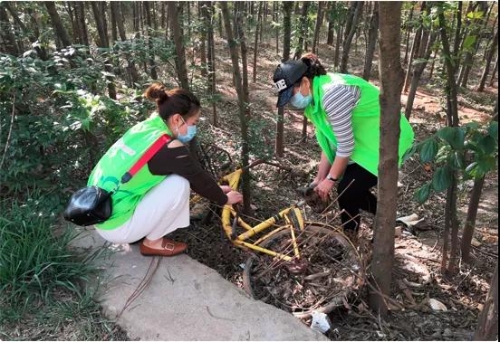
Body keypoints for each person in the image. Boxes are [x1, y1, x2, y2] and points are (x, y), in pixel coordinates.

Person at [87, 83, 243, 256]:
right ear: (177, 119)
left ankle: (139, 228)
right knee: (179, 183)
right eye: (193, 122)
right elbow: (196, 177)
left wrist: (215, 190)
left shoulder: (146, 128)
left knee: (172, 179)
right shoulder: (169, 146)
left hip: (98, 209)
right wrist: (224, 199)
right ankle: (152, 243)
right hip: (116, 226)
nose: (194, 128)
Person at [272, 53, 414, 242]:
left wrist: (330, 180)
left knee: (347, 188)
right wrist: (319, 178)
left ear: (305, 82)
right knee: (351, 189)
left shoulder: (332, 94)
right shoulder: (313, 103)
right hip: (364, 140)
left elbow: (345, 146)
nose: (292, 101)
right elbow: (329, 141)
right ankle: (389, 223)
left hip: (388, 138)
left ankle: (351, 241)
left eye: (292, 94)